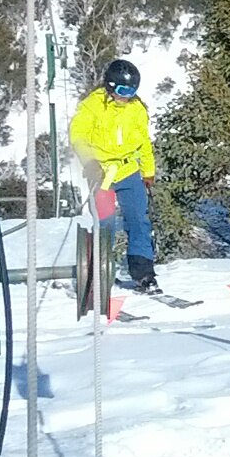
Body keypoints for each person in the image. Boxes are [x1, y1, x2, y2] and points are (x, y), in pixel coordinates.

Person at [69, 57, 160, 292]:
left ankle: (143, 273)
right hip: (103, 173)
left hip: (129, 171)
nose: (126, 96)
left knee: (138, 220)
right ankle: (100, 271)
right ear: (110, 86)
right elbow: (78, 135)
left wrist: (148, 171)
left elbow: (143, 142)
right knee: (106, 223)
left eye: (132, 90)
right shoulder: (92, 105)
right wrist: (89, 162)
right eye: (122, 90)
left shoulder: (136, 109)